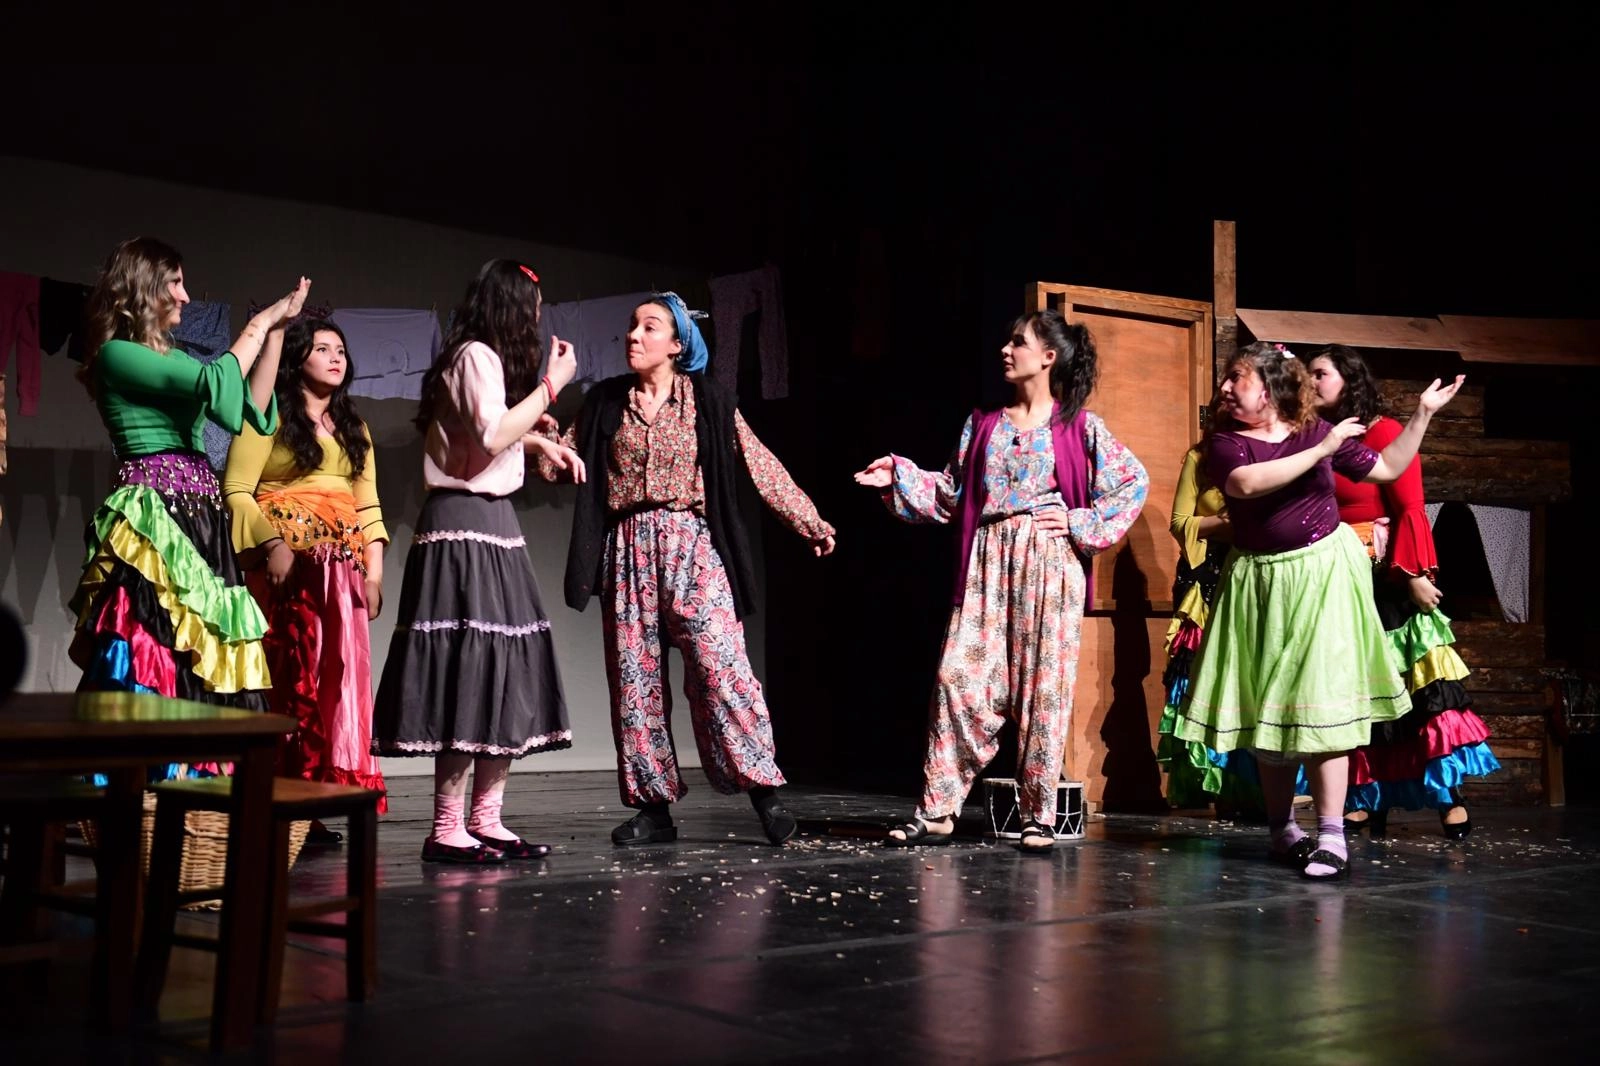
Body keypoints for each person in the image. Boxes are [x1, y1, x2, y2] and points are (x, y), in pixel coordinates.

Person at [542, 292, 834, 848]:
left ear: (677, 344)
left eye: (649, 327)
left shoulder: (709, 401)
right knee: (635, 683)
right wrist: (547, 437)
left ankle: (765, 795)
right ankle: (653, 810)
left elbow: (760, 462)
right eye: (631, 326)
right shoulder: (605, 402)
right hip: (627, 552)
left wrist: (809, 521)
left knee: (723, 671)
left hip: (691, 547)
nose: (634, 335)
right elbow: (561, 468)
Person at [855, 310, 1148, 853]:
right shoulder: (984, 425)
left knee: (1044, 689)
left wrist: (1078, 522)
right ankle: (938, 809)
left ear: (1049, 357)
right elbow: (951, 492)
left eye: (1019, 342)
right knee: (957, 679)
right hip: (988, 563)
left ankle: (1038, 814)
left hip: (1048, 565)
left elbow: (1132, 482)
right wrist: (899, 474)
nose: (1006, 350)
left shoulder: (1079, 427)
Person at [1171, 342, 1463, 879]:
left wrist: (1422, 414)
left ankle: (1331, 834)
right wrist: (1323, 447)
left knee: (1323, 703)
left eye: (1237, 378)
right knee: (1270, 706)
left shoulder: (1313, 432)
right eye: (1226, 380)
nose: (1226, 388)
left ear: (1270, 387)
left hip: (1323, 575)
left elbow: (1388, 467)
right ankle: (1283, 829)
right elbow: (1246, 484)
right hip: (1261, 581)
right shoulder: (1227, 442)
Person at [371, 260, 583, 864]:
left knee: (504, 663)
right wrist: (551, 387)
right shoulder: (474, 356)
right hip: (463, 523)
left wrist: (535, 437)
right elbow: (489, 436)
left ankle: (486, 819)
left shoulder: (482, 361)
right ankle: (446, 827)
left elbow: (489, 435)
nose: (537, 320)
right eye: (533, 308)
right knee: (467, 663)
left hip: (492, 524)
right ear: (512, 307)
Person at [70, 237, 307, 774]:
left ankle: (198, 786)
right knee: (153, 648)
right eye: (175, 283)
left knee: (206, 656)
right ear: (143, 288)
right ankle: (137, 784)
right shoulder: (118, 355)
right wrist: (256, 323)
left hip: (201, 522)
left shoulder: (174, 357)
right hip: (155, 519)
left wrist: (276, 333)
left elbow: (247, 409)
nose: (185, 295)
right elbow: (216, 381)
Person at [1309, 344, 1498, 839]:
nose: (1311, 382)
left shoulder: (1383, 432)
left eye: (1320, 373)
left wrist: (1414, 574)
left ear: (1349, 380)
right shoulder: (1318, 438)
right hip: (1336, 579)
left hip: (1386, 578)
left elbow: (1409, 505)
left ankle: (1448, 797)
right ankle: (1366, 798)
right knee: (1360, 692)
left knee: (1418, 690)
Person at [223, 316, 392, 842]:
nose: (336, 356)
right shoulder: (268, 415)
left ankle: (316, 801)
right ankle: (281, 800)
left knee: (337, 685)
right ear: (297, 359)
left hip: (342, 574)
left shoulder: (354, 427)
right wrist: (272, 545)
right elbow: (237, 489)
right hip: (290, 569)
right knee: (291, 681)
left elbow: (368, 506)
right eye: (322, 348)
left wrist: (374, 573)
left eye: (341, 348)